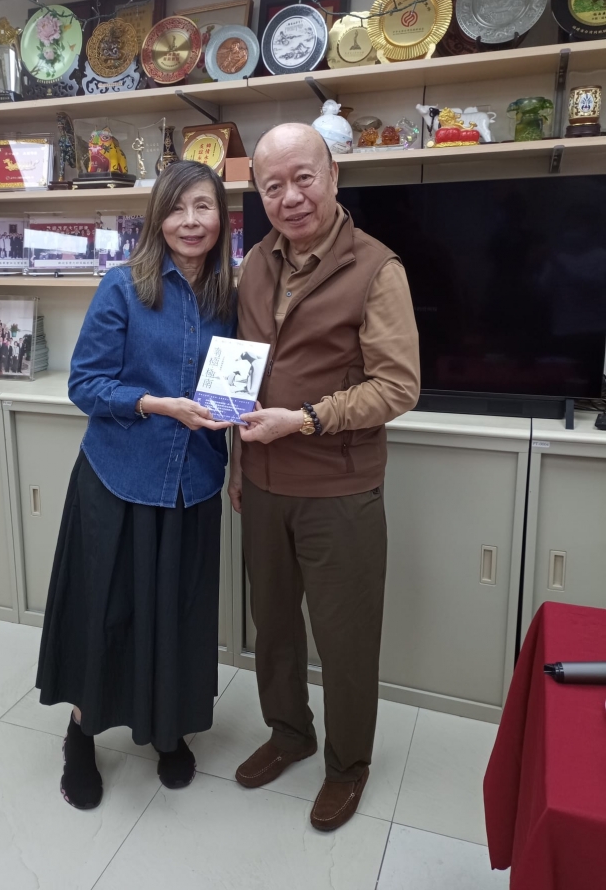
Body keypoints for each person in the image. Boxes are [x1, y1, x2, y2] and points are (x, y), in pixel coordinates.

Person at [229, 123, 420, 832]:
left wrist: (305, 419)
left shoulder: (377, 268)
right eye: (273, 185)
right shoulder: (253, 263)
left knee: (344, 639)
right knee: (273, 628)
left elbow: (397, 387)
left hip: (339, 490)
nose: (290, 197)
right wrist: (238, 464)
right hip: (261, 484)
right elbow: (242, 374)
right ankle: (289, 733)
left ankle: (347, 764)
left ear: (333, 175)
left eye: (303, 177)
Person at [37, 160, 237, 811]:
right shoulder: (123, 286)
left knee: (179, 616)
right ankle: (81, 733)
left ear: (221, 216)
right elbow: (85, 385)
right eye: (177, 208)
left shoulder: (229, 297)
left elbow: (234, 389)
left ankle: (167, 731)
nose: (190, 221)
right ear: (158, 218)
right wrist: (156, 404)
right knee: (106, 614)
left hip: (193, 483)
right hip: (118, 480)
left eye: (203, 207)